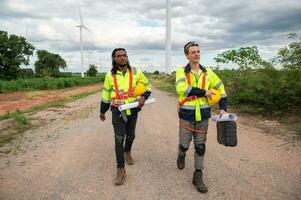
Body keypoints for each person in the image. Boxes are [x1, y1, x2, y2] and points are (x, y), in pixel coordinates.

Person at [175, 41, 227, 193]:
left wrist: (223, 109)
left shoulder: (208, 72)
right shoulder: (181, 72)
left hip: (204, 116)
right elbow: (182, 88)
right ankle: (181, 154)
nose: (196, 54)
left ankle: (198, 175)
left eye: (198, 51)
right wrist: (204, 92)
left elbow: (221, 90)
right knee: (184, 144)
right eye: (193, 52)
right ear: (187, 55)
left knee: (200, 146)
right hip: (186, 114)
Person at [100, 48, 152, 185]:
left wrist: (144, 97)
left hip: (133, 109)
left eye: (124, 55)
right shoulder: (109, 75)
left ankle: (127, 151)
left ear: (127, 57)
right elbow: (106, 94)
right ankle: (121, 170)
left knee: (131, 136)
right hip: (117, 110)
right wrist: (102, 111)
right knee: (118, 139)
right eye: (119, 56)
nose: (122, 58)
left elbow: (148, 86)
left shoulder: (136, 71)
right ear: (114, 58)